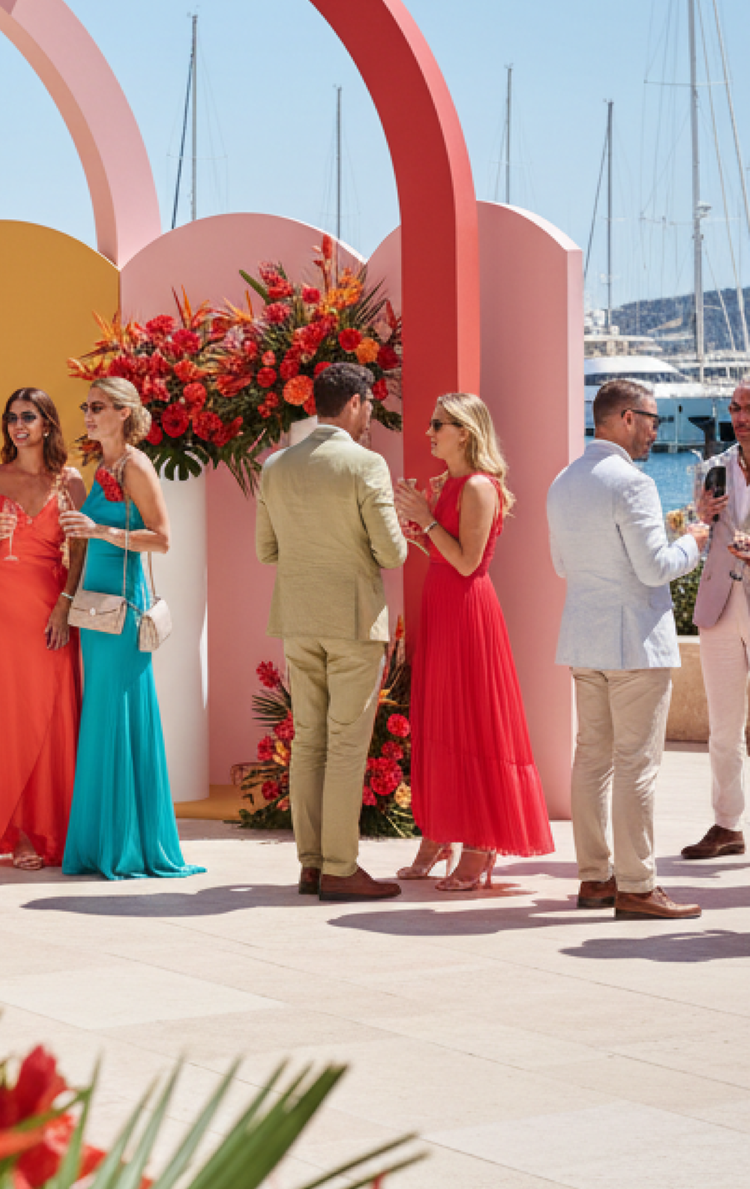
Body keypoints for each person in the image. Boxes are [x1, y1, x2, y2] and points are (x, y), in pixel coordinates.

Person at [547, 376, 707, 920]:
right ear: (622, 418)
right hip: (634, 642)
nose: (655, 430)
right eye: (652, 419)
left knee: (591, 759)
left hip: (585, 637)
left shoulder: (563, 481)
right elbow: (654, 567)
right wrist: (695, 542)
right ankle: (637, 884)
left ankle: (595, 879)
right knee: (636, 765)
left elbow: (562, 566)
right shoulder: (632, 483)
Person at [255, 362, 408, 901]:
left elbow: (265, 550)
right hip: (352, 618)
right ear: (356, 403)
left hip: (298, 617)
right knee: (345, 746)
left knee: (309, 743)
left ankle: (312, 864)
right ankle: (341, 867)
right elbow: (392, 551)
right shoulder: (367, 464)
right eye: (369, 405)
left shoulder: (275, 465)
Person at [392, 393, 553, 891]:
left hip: (467, 610)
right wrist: (418, 528)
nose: (429, 433)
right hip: (441, 605)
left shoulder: (480, 487)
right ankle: (440, 831)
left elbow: (467, 562)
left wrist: (428, 517)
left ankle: (479, 844)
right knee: (440, 720)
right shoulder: (449, 484)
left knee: (474, 722)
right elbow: (444, 552)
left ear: (464, 431)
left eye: (437, 424)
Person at [58, 377, 201, 880]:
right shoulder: (102, 468)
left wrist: (99, 530)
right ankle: (103, 845)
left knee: (120, 712)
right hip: (96, 610)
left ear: (124, 412)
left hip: (123, 609)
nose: (88, 414)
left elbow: (162, 539)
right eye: (86, 406)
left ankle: (129, 847)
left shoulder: (136, 464)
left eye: (97, 407)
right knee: (101, 716)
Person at [0, 387, 85, 868]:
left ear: (48, 424)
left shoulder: (70, 481)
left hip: (53, 605)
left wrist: (65, 605)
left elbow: (82, 551)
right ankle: (19, 833)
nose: (19, 425)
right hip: (5, 607)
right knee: (12, 717)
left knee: (57, 715)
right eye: (12, 417)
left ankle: (60, 829)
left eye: (29, 416)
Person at [679, 378, 750, 861]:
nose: (740, 417)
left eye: (748, 408)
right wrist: (699, 513)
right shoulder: (713, 468)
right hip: (721, 604)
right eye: (734, 407)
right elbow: (694, 530)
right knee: (723, 726)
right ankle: (727, 825)